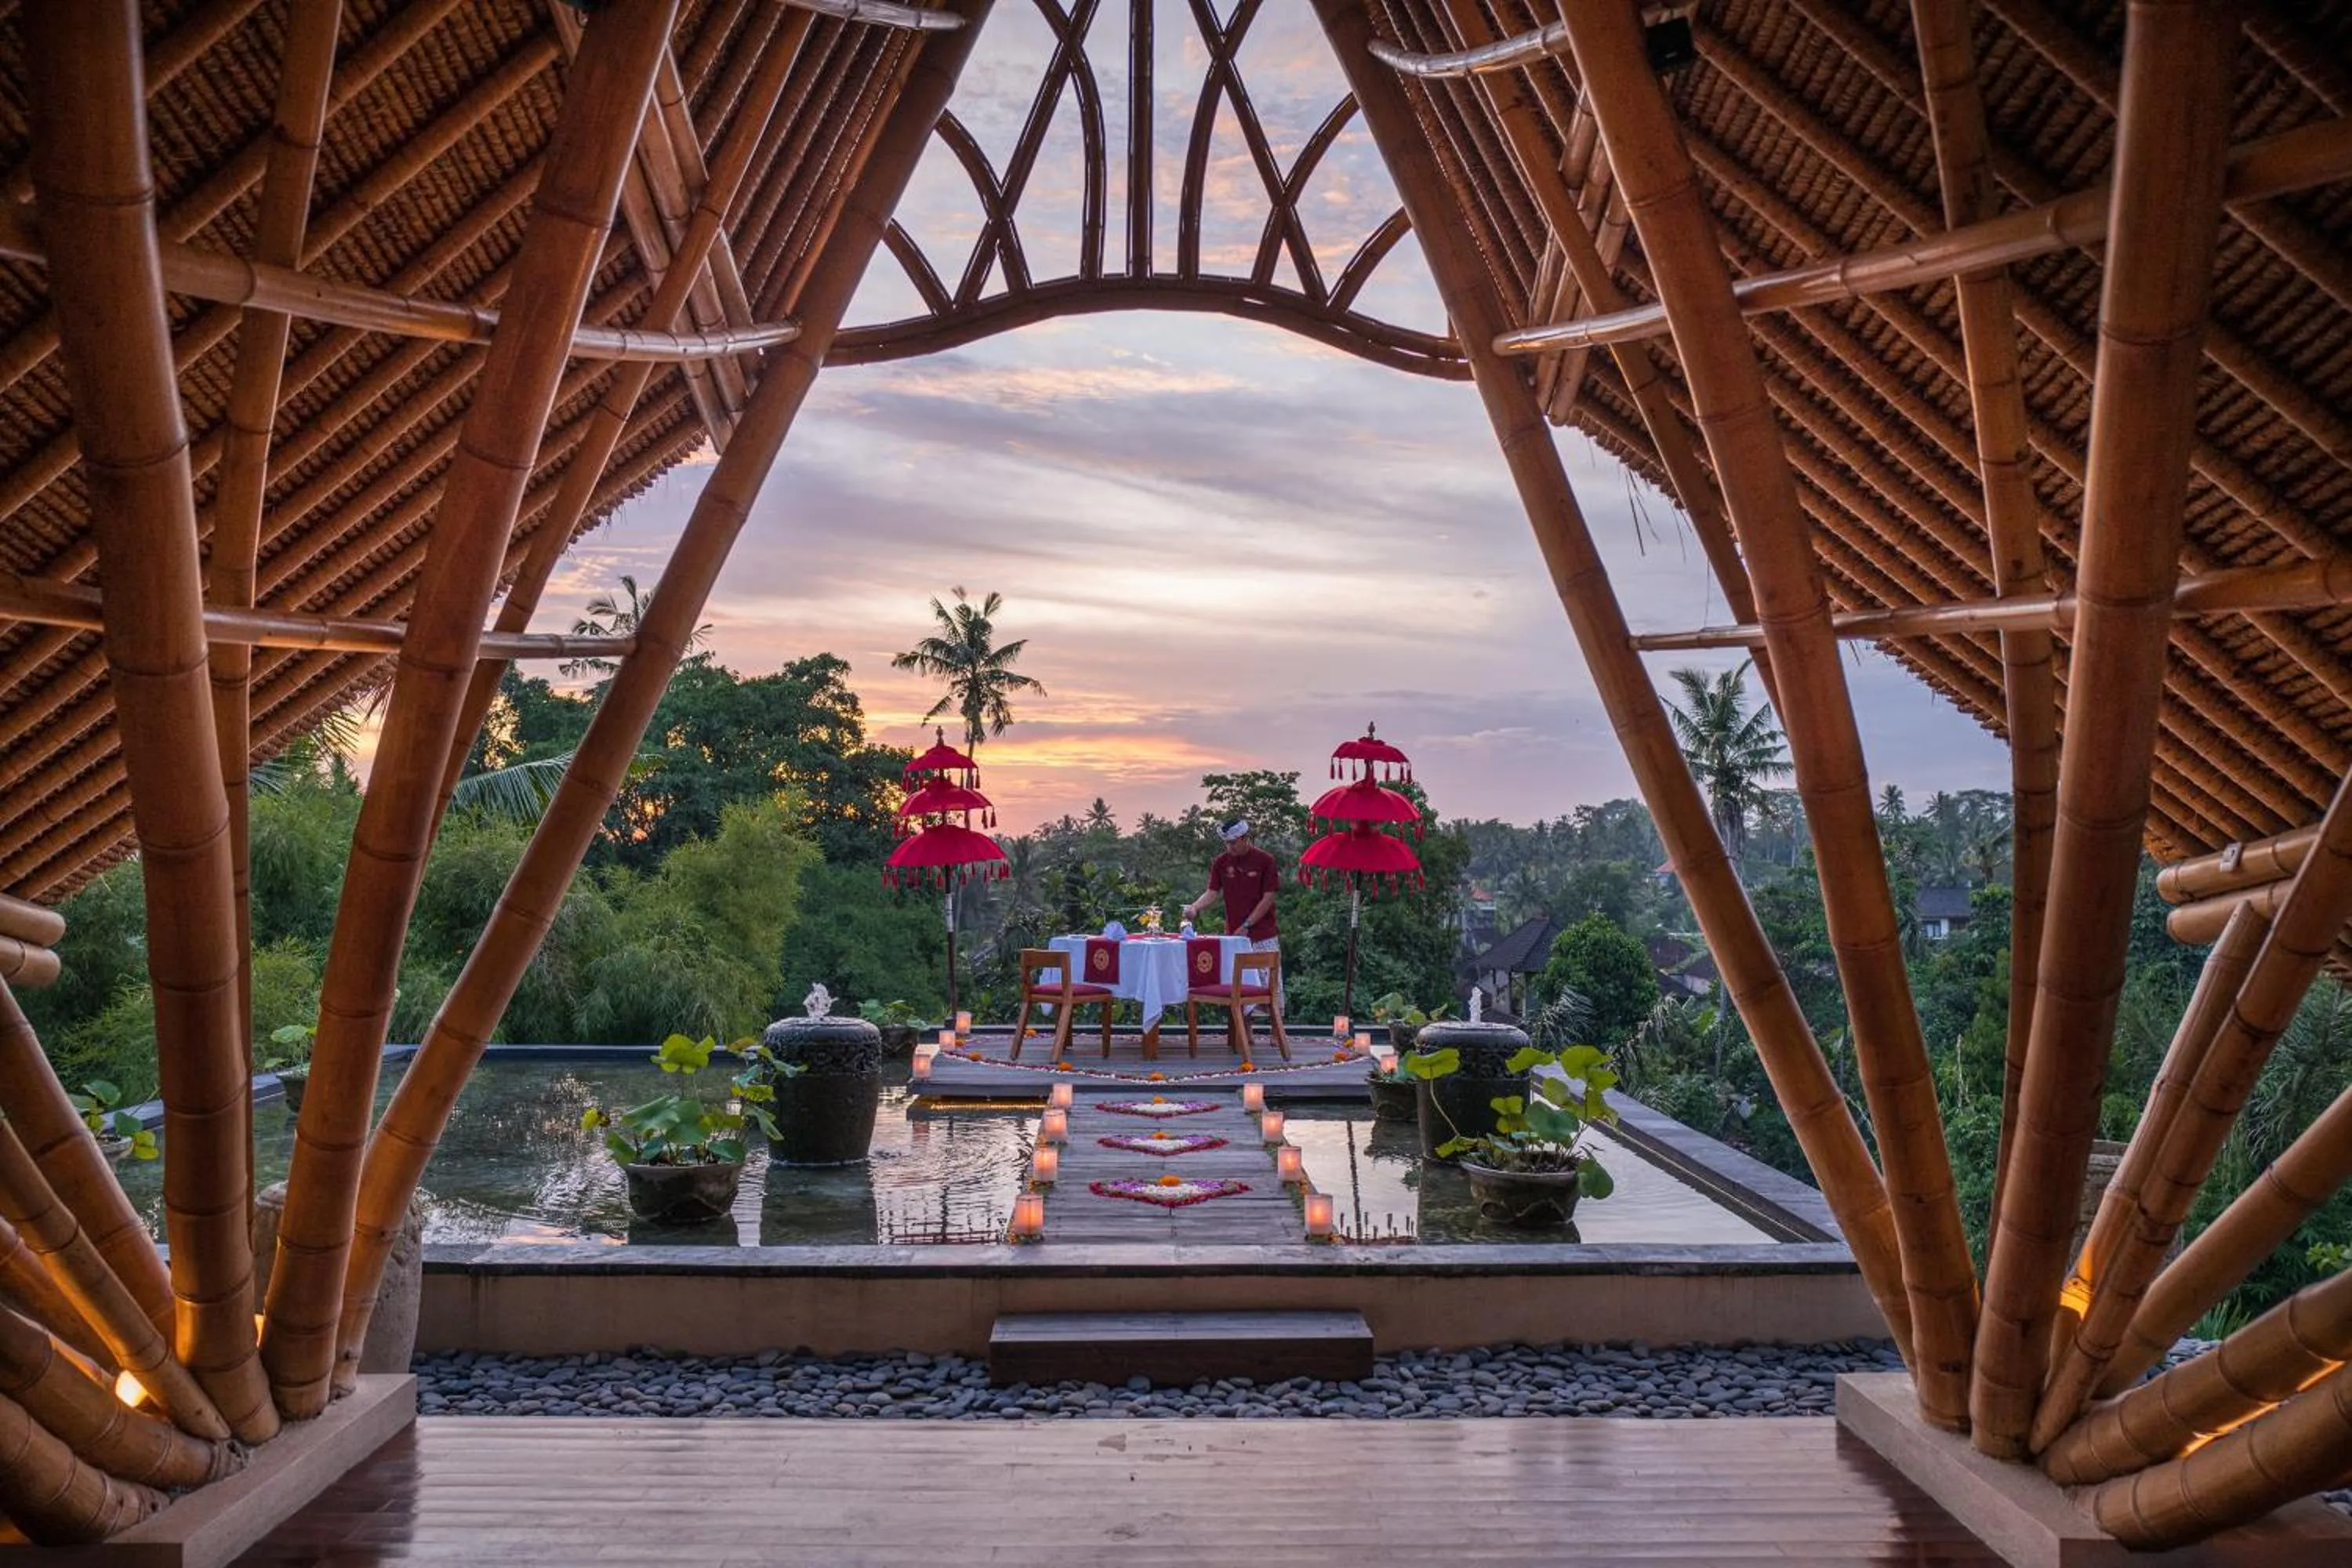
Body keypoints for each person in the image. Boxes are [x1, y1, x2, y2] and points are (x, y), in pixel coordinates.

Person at [1181, 818, 1282, 1016]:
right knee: (1241, 982)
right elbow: (1212, 892)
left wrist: (1248, 924)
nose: (1230, 847)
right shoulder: (1221, 862)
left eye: (1233, 842)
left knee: (1270, 982)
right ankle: (1246, 1033)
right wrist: (1195, 907)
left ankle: (1275, 1031)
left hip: (1263, 933)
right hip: (1235, 934)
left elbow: (1269, 897)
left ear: (1245, 839)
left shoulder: (1265, 860)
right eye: (1227, 843)